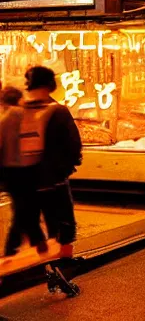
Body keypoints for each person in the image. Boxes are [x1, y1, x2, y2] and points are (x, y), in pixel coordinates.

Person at [24, 66, 82, 258]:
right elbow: (74, 144)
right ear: (50, 85)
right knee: (63, 223)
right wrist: (67, 168)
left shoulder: (18, 111)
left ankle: (41, 263)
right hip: (54, 179)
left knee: (32, 224)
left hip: (26, 181)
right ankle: (63, 263)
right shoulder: (58, 111)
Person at [0, 86, 48, 257]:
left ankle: (12, 248)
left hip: (12, 171)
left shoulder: (5, 120)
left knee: (21, 208)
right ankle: (37, 240)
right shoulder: (29, 117)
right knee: (28, 206)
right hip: (31, 169)